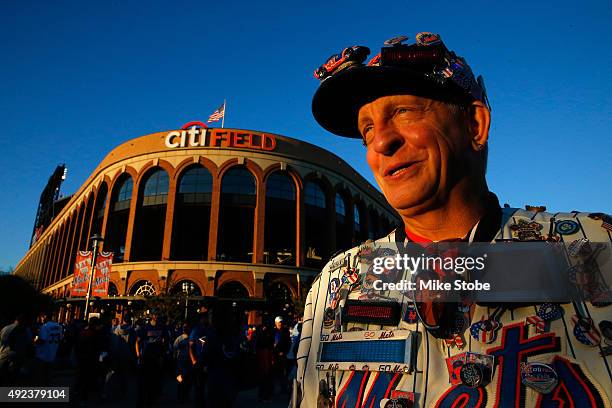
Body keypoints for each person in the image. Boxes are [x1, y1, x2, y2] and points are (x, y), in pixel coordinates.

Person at [294, 32, 612, 407]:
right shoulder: (335, 283)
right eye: (367, 131)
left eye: (403, 112)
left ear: (475, 124)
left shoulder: (593, 246)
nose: (380, 143)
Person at [135, 311, 168, 407]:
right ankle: (141, 403)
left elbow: (165, 342)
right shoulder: (145, 328)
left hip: (157, 358)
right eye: (155, 314)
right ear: (151, 316)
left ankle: (151, 401)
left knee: (154, 383)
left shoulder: (162, 328)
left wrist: (163, 355)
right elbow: (137, 341)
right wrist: (138, 355)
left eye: (158, 314)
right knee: (143, 383)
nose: (157, 316)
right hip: (146, 358)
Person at [0, 314, 34, 386]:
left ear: (15, 320)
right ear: (23, 321)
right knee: (12, 378)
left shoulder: (5, 328)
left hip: (3, 355)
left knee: (2, 377)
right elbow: (29, 343)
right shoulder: (25, 329)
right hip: (17, 356)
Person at [34, 311, 63, 385]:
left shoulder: (45, 326)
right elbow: (60, 339)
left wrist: (34, 342)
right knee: (49, 376)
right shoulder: (59, 326)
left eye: (41, 317)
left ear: (45, 317)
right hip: (52, 353)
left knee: (40, 376)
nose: (41, 319)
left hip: (42, 354)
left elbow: (42, 340)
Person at [173, 323, 192, 404]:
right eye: (184, 327)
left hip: (189, 363)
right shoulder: (179, 339)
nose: (185, 329)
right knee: (180, 380)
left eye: (187, 327)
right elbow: (174, 350)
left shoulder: (192, 338)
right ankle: (180, 397)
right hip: (181, 363)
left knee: (188, 380)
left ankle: (185, 396)